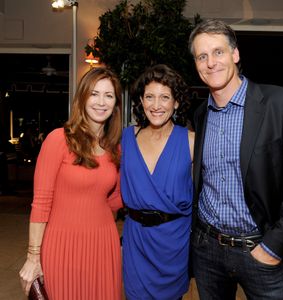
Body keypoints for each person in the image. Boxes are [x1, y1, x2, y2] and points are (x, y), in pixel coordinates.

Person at [188, 19, 283, 299]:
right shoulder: (200, 115)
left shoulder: (281, 104)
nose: (211, 62)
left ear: (235, 55)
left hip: (261, 252)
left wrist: (273, 247)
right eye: (202, 56)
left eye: (218, 52)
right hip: (208, 251)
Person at [19, 67, 123, 299]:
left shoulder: (115, 148)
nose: (101, 102)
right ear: (82, 97)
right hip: (63, 244)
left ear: (116, 104)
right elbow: (41, 203)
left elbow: (116, 199)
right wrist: (33, 256)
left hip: (103, 245)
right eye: (94, 93)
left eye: (109, 95)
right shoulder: (58, 140)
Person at [120, 64, 194, 299]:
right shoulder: (125, 139)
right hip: (136, 242)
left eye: (164, 97)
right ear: (141, 101)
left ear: (176, 103)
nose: (156, 105)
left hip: (174, 243)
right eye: (149, 97)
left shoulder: (192, 142)